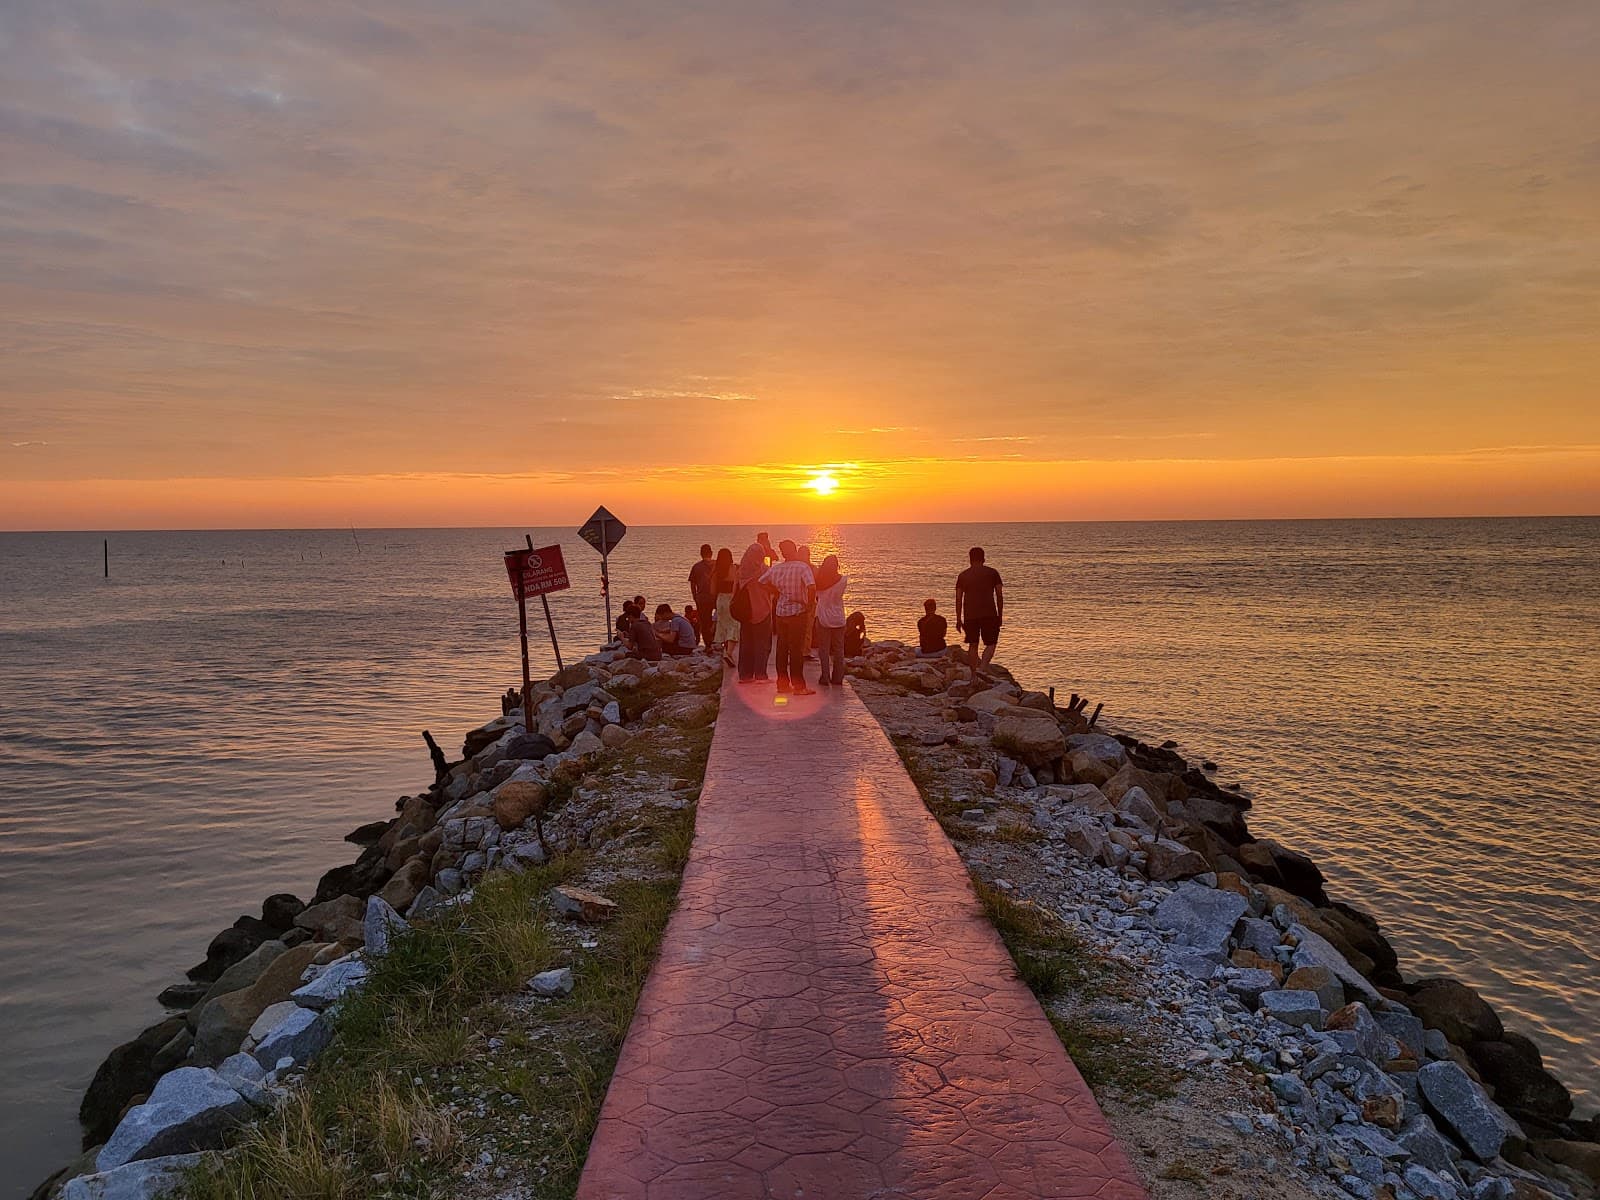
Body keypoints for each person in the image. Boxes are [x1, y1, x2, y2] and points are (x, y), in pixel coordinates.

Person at [760, 539, 816, 695]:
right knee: (796, 650)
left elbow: (761, 582)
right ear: (795, 550)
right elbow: (812, 587)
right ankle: (799, 686)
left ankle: (782, 684)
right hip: (798, 612)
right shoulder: (803, 567)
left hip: (780, 613)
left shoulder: (777, 569)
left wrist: (776, 591)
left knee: (782, 649)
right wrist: (809, 605)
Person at [955, 546, 1004, 673]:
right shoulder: (993, 573)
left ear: (970, 559)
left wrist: (958, 619)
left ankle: (974, 675)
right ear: (984, 558)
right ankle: (982, 668)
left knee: (973, 644)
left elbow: (958, 599)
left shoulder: (963, 575)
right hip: (989, 614)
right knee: (991, 643)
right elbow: (999, 595)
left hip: (970, 615)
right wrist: (1000, 615)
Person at [735, 541, 773, 682]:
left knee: (746, 644)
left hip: (745, 612)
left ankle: (745, 675)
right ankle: (761, 674)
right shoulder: (764, 570)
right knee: (762, 644)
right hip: (762, 610)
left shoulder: (741, 571)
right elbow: (773, 587)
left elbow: (735, 591)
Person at [812, 554, 848, 686]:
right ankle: (838, 678)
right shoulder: (843, 580)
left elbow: (816, 596)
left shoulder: (819, 583)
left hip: (823, 617)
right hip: (838, 617)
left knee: (824, 649)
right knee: (839, 649)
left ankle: (825, 676)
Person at [712, 547, 738, 666]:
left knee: (723, 624)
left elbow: (712, 590)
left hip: (720, 599)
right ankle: (729, 652)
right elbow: (737, 586)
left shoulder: (716, 571)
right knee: (734, 625)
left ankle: (725, 651)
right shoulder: (734, 568)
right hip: (730, 599)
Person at [688, 544, 717, 649]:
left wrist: (694, 596)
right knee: (720, 619)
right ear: (711, 553)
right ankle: (718, 641)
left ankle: (708, 645)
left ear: (701, 554)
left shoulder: (696, 567)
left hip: (702, 598)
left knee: (705, 622)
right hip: (716, 597)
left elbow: (692, 583)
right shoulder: (717, 564)